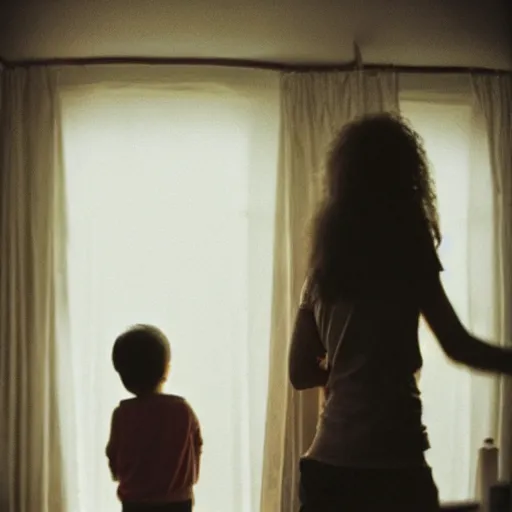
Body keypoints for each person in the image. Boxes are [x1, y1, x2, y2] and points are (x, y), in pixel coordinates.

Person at [289, 113, 512, 512]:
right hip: (392, 463)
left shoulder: (322, 269)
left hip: (327, 468)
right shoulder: (408, 244)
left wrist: (345, 368)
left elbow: (299, 372)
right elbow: (457, 345)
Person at [106, 324, 203, 512]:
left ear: (123, 376)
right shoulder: (182, 410)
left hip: (135, 503)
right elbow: (196, 446)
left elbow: (114, 457)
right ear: (166, 369)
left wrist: (121, 475)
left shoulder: (122, 414)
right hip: (178, 502)